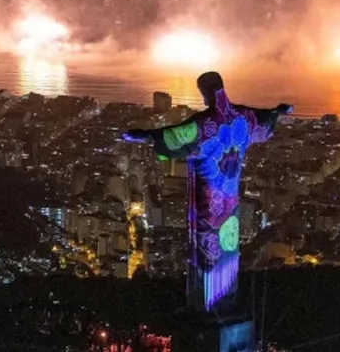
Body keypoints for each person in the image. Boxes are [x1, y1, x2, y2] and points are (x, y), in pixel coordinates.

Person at [121, 71, 292, 312]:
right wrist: (279, 112)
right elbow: (263, 118)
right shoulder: (242, 116)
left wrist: (144, 136)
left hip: (209, 199)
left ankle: (205, 305)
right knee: (228, 241)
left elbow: (176, 136)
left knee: (206, 242)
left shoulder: (208, 124)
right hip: (230, 199)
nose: (202, 99)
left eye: (202, 93)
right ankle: (225, 297)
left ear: (207, 92)